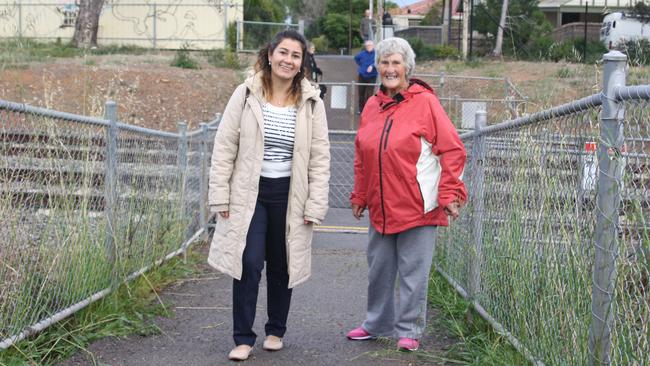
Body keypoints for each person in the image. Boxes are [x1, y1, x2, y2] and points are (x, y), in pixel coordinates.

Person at [207, 29, 330, 361]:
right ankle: (243, 337)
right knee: (247, 262)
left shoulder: (311, 102)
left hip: (290, 194)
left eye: (295, 55)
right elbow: (224, 147)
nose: (288, 60)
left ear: (302, 63)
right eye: (283, 53)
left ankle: (276, 329)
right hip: (250, 192)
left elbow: (320, 157)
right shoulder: (245, 94)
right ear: (270, 54)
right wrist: (220, 196)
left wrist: (315, 203)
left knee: (283, 264)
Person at [346, 37, 467, 352]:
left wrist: (449, 193)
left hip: (418, 206)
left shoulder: (425, 102)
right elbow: (363, 155)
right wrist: (360, 195)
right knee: (379, 269)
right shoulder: (372, 105)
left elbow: (452, 149)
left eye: (395, 63)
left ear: (407, 68)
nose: (389, 68)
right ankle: (376, 323)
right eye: (384, 62)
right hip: (381, 206)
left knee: (413, 273)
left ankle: (410, 329)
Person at [354, 40, 378, 113]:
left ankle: (368, 110)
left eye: (370, 45)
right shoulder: (362, 54)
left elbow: (379, 61)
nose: (369, 47)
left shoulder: (377, 54)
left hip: (372, 76)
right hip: (362, 75)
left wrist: (372, 66)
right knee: (361, 93)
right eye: (367, 46)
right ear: (365, 46)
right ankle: (361, 109)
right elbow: (356, 58)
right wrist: (362, 65)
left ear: (373, 46)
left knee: (369, 94)